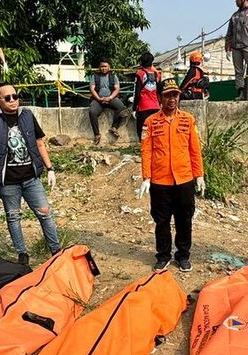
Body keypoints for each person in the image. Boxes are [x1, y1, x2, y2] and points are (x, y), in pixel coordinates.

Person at [0, 84, 59, 266]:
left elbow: (40, 144)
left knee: (45, 212)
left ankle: (55, 250)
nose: (13, 101)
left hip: (31, 178)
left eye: (15, 96)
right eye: (7, 98)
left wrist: (50, 168)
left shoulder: (27, 117)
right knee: (14, 216)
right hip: (7, 182)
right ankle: (22, 254)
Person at [135, 78, 205, 272]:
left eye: (175, 95)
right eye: (167, 95)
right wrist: (146, 178)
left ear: (179, 97)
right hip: (160, 181)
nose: (172, 99)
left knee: (184, 219)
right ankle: (163, 255)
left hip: (184, 179)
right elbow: (146, 151)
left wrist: (199, 175)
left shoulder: (188, 120)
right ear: (160, 98)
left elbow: (195, 150)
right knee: (162, 220)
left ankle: (183, 255)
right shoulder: (150, 122)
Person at [88, 59, 124, 144]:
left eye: (105, 66)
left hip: (111, 98)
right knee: (92, 112)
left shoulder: (113, 76)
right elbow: (92, 89)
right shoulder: (95, 76)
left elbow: (117, 89)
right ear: (99, 67)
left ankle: (114, 127)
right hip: (98, 99)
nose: (103, 68)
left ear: (109, 67)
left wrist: (110, 97)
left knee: (121, 107)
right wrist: (98, 98)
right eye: (102, 66)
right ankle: (97, 134)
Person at [133, 52, 163, 138]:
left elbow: (137, 93)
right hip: (156, 107)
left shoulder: (140, 74)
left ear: (141, 62)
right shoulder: (157, 74)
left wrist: (134, 108)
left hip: (143, 108)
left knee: (142, 133)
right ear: (151, 62)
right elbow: (160, 90)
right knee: (155, 132)